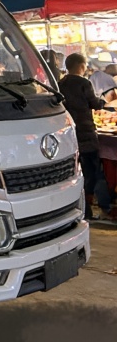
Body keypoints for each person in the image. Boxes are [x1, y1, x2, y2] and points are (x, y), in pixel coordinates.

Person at [59, 53, 115, 221]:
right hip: (86, 133)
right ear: (81, 66)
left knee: (78, 172)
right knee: (96, 172)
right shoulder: (84, 83)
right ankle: (105, 207)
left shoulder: (61, 83)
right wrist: (104, 102)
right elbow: (94, 103)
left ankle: (85, 209)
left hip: (69, 133)